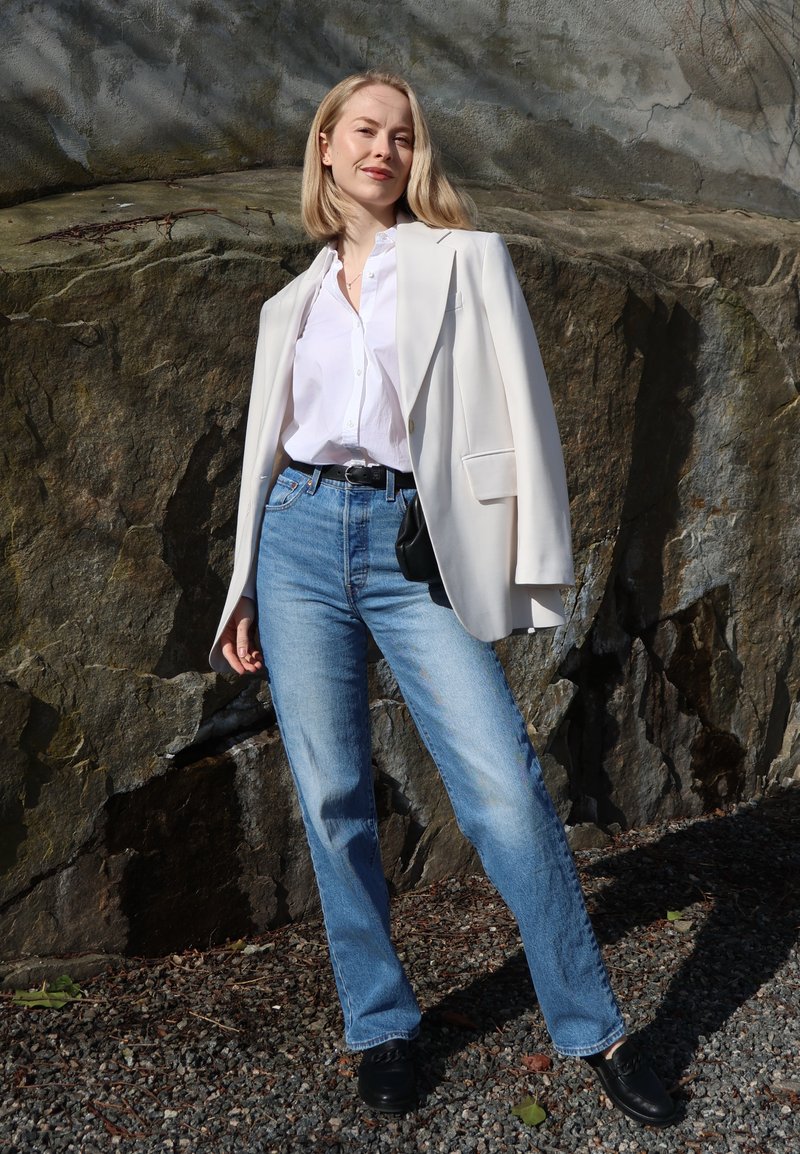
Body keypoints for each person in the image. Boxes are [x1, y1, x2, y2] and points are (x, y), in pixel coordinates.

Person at [209, 71, 676, 1128]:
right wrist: (239, 587)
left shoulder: (466, 258)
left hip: (410, 541)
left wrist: (528, 559)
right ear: (324, 144)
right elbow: (261, 457)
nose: (383, 147)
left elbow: (521, 413)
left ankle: (592, 1027)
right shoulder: (290, 301)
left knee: (502, 790)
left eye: (401, 135)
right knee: (333, 800)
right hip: (294, 540)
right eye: (364, 130)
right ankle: (381, 1024)